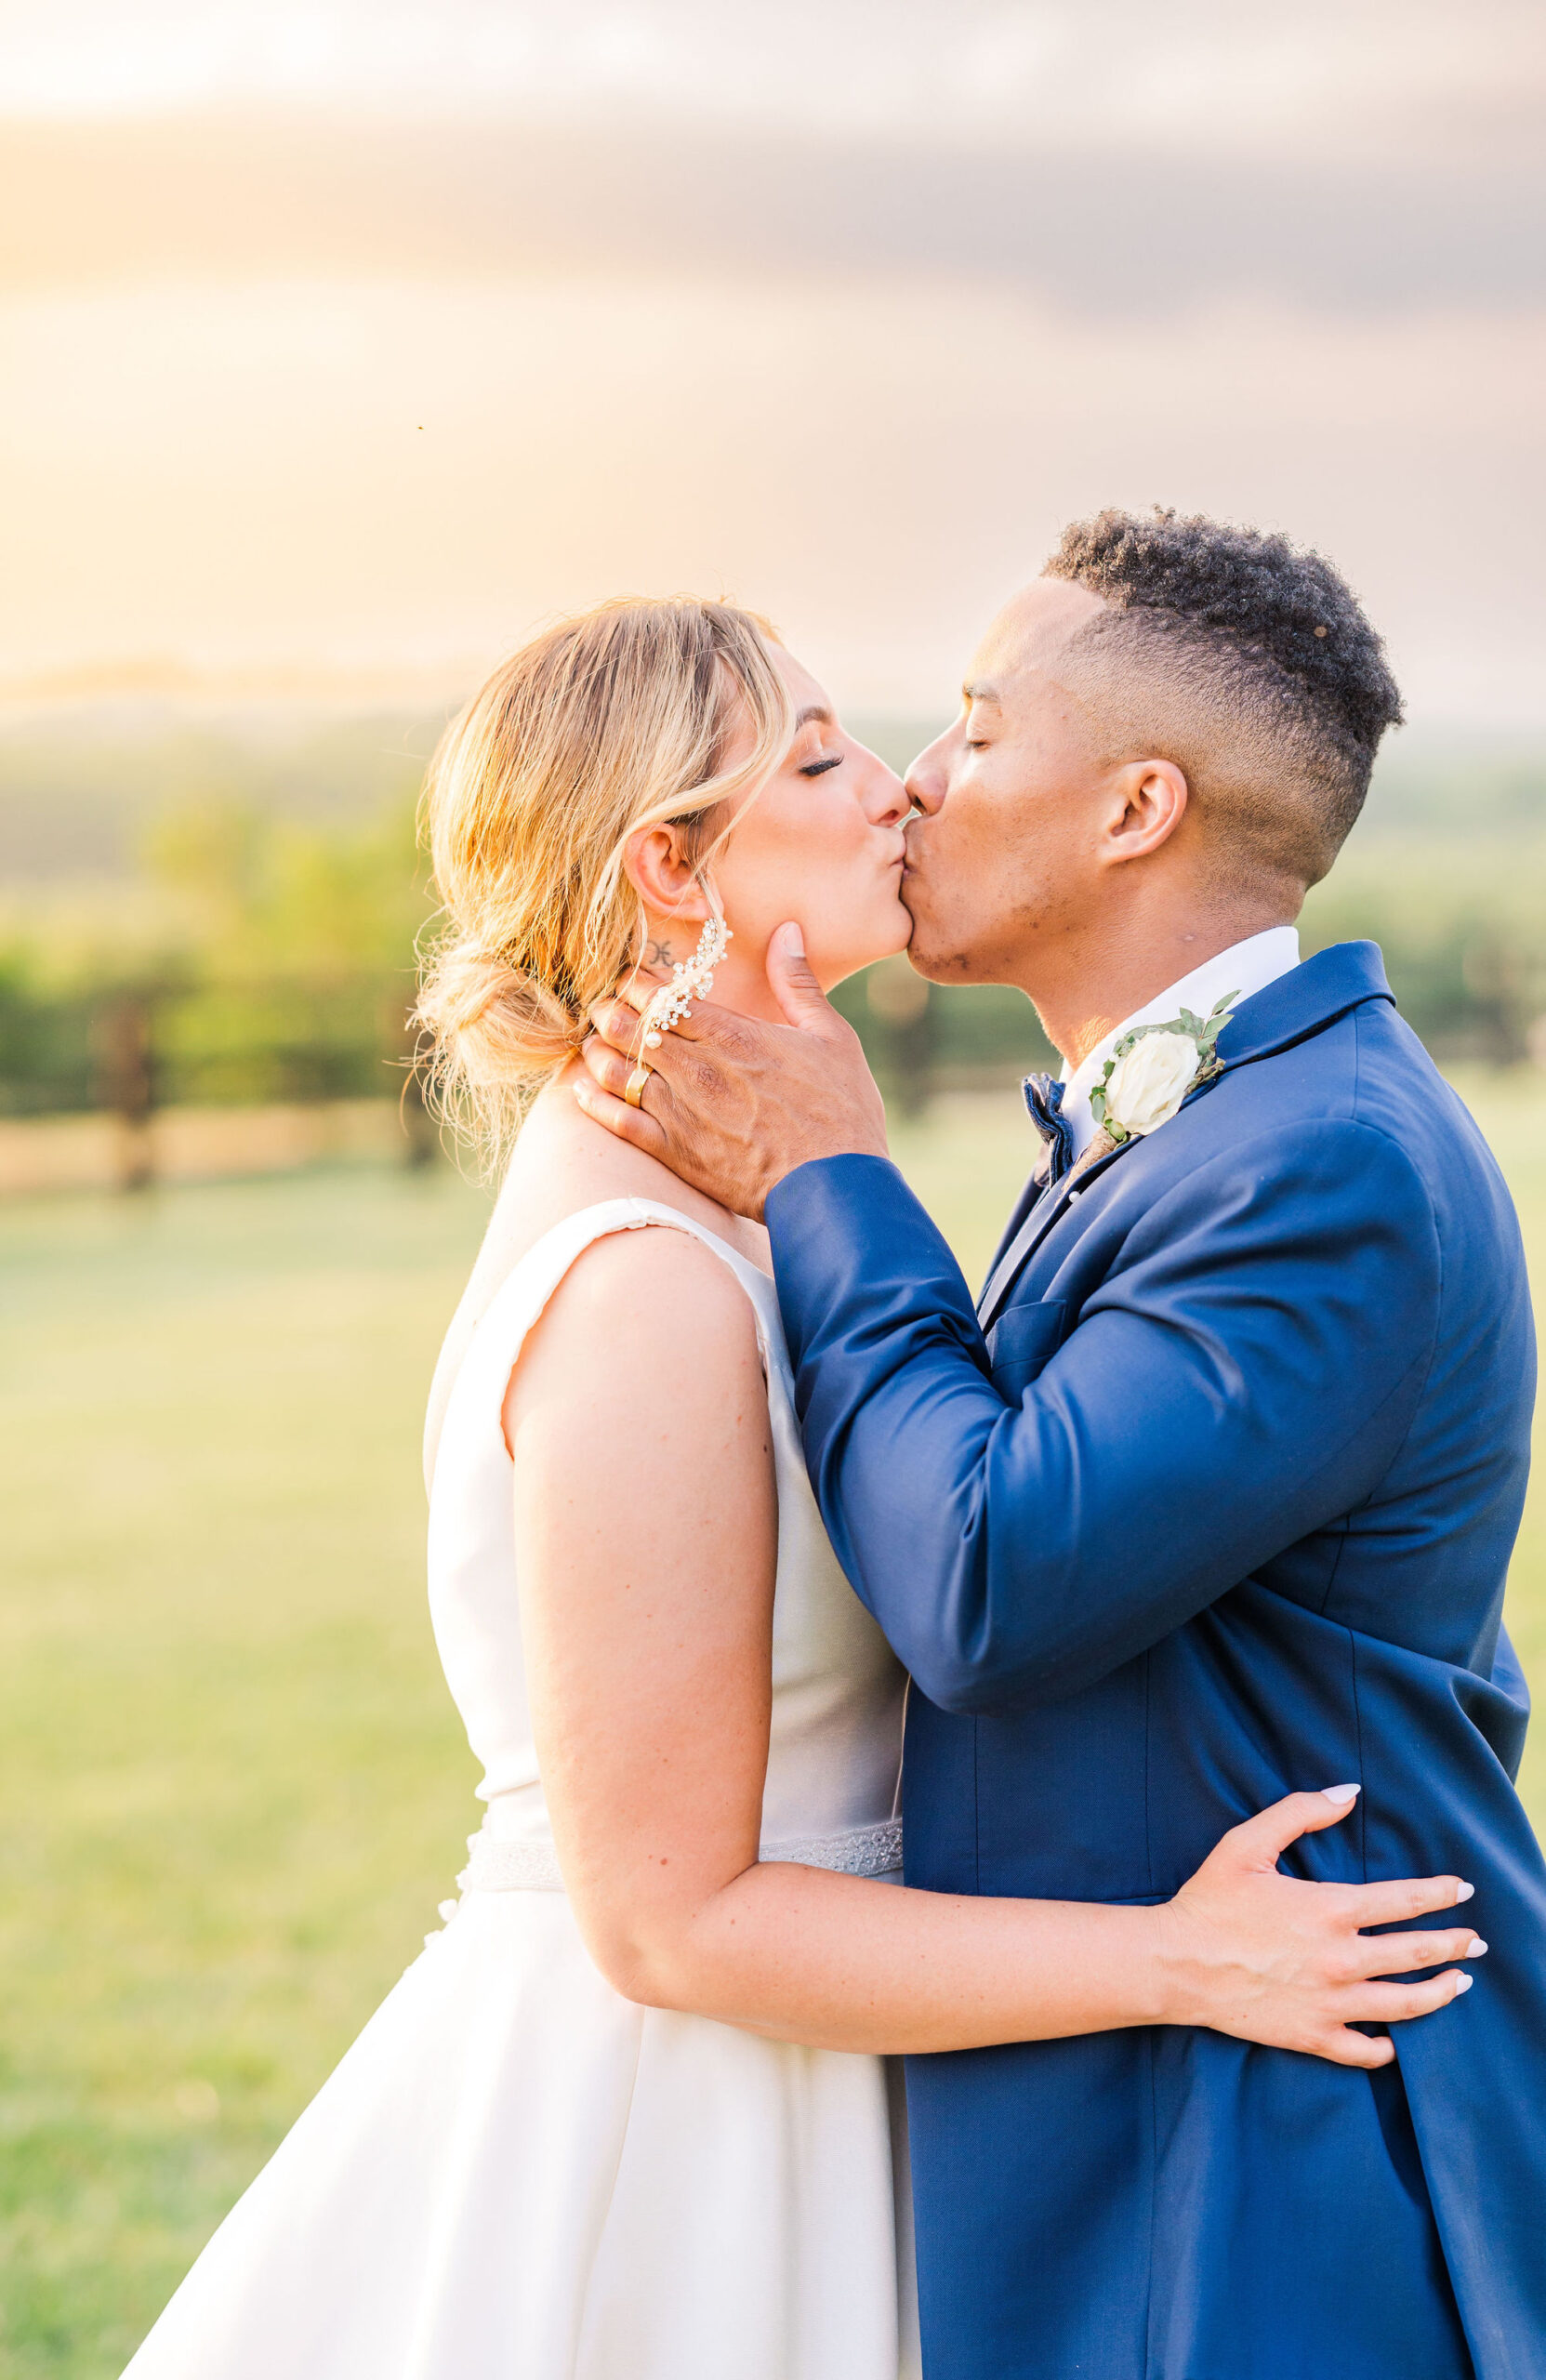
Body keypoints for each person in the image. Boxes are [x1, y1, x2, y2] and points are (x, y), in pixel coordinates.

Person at [122, 595, 1481, 2380]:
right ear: (674, 869)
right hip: (683, 2143)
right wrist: (1176, 1961)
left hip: (845, 2081)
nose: (900, 794)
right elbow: (669, 1917)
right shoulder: (645, 1283)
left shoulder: (744, 1211)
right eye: (825, 758)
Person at [576, 522, 1545, 2380]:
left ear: (1133, 810)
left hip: (1280, 2157)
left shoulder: (1322, 1159)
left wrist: (826, 1177)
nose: (916, 783)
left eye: (972, 727)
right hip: (1142, 2108)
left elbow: (989, 1577)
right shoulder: (1205, 1127)